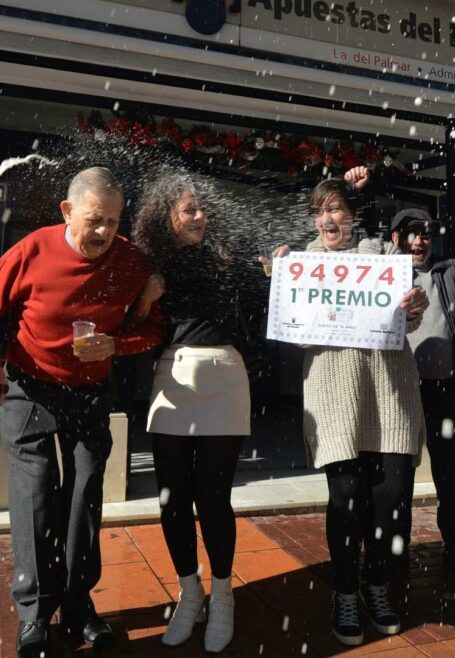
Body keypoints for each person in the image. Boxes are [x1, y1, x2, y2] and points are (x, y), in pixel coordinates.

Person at [0, 166, 163, 658]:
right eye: (95, 220)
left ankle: (78, 606)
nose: (104, 233)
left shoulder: (131, 262)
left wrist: (115, 345)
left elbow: (154, 329)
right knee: (34, 498)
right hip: (28, 386)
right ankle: (34, 614)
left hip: (90, 393)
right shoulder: (34, 248)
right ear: (67, 211)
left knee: (83, 499)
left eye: (114, 222)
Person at [266, 178, 429, 646]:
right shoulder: (302, 264)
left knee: (390, 496)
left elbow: (408, 318)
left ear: (353, 216)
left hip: (389, 394)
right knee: (345, 500)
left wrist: (414, 306)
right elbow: (293, 333)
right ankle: (344, 590)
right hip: (335, 396)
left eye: (336, 209)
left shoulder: (385, 258)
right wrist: (280, 283)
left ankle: (376, 584)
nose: (327, 218)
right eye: (320, 211)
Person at [346, 166, 455, 596]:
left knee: (450, 474)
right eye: (412, 232)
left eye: (427, 232)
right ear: (395, 239)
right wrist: (358, 194)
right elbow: (349, 243)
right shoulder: (377, 270)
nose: (421, 239)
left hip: (444, 392)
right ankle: (391, 558)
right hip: (394, 391)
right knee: (390, 478)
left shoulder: (451, 271)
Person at [129, 173, 252, 652]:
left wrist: (276, 266)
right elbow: (131, 326)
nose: (199, 216)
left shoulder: (228, 255)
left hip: (224, 377)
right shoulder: (147, 264)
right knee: (171, 498)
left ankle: (223, 595)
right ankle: (190, 590)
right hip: (173, 379)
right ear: (166, 216)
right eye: (189, 209)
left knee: (212, 497)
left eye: (202, 208)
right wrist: (147, 296)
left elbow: (266, 293)